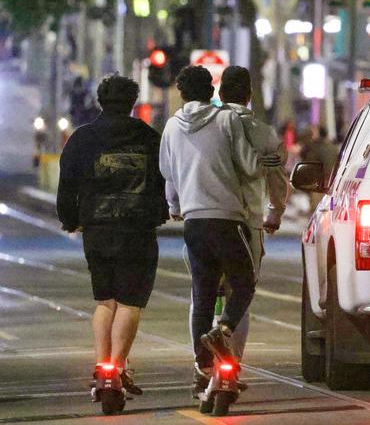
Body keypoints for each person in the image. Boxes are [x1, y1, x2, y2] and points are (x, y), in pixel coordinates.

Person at [159, 65, 274, 396]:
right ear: (212, 91)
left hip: (193, 222)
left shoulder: (171, 127)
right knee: (244, 284)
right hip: (228, 219)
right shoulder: (227, 121)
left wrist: (176, 207)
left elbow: (169, 172)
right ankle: (224, 330)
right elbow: (249, 167)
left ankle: (203, 367)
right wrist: (269, 161)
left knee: (203, 294)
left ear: (182, 94)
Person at [56, 73, 168, 396]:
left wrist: (70, 219)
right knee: (130, 302)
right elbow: (164, 183)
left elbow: (68, 186)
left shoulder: (82, 139)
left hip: (97, 230)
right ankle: (116, 370)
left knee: (105, 301)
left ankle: (102, 368)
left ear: (99, 101)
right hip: (138, 231)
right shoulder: (149, 138)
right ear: (133, 103)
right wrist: (159, 213)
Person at [212, 66, 289, 362]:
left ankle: (203, 364)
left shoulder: (209, 128)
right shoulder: (263, 133)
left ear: (220, 94)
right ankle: (232, 364)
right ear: (250, 96)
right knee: (240, 295)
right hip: (250, 223)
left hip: (209, 219)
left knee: (205, 293)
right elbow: (277, 179)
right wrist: (275, 213)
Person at [300, 126, 339, 211]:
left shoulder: (315, 147)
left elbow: (308, 162)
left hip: (319, 182)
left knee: (318, 210)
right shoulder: (333, 147)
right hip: (332, 180)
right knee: (330, 208)